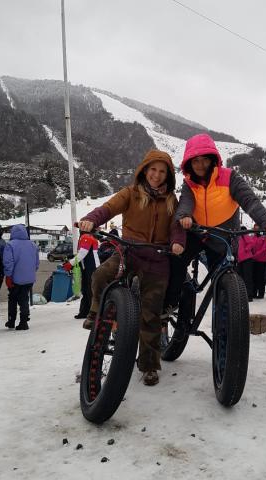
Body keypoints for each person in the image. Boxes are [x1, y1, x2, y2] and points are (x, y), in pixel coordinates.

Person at [78, 150, 185, 386]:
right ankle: (97, 312)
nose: (156, 175)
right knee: (100, 275)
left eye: (162, 171)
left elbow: (177, 227)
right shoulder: (130, 193)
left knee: (151, 315)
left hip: (157, 258)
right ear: (144, 170)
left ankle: (149, 366)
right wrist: (91, 219)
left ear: (168, 175)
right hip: (129, 252)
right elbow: (107, 208)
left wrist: (178, 242)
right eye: (153, 169)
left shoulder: (171, 200)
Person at [163, 133, 266, 310]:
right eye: (195, 161)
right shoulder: (189, 183)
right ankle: (170, 303)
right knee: (175, 260)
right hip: (197, 232)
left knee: (224, 282)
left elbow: (249, 200)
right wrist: (184, 216)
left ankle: (225, 326)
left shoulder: (230, 177)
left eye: (204, 160)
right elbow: (186, 202)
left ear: (212, 159)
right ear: (189, 164)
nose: (200, 165)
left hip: (223, 236)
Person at [2, 224, 40, 330]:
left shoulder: (10, 245)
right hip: (29, 278)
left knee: (13, 299)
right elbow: (36, 263)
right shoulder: (33, 245)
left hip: (15, 278)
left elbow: (8, 262)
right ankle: (24, 321)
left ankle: (11, 321)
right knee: (24, 299)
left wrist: (8, 276)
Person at [63, 233, 100, 319]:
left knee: (90, 291)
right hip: (88, 267)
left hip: (91, 268)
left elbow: (82, 254)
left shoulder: (86, 237)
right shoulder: (90, 237)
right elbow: (83, 254)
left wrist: (70, 263)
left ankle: (92, 313)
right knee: (86, 290)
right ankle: (85, 312)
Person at [251, 224, 266, 299]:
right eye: (255, 228)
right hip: (253, 259)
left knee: (260, 277)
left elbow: (264, 248)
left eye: (258, 228)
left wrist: (255, 255)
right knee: (254, 277)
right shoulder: (253, 237)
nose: (257, 230)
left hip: (261, 260)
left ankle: (261, 293)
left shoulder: (264, 237)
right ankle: (254, 293)